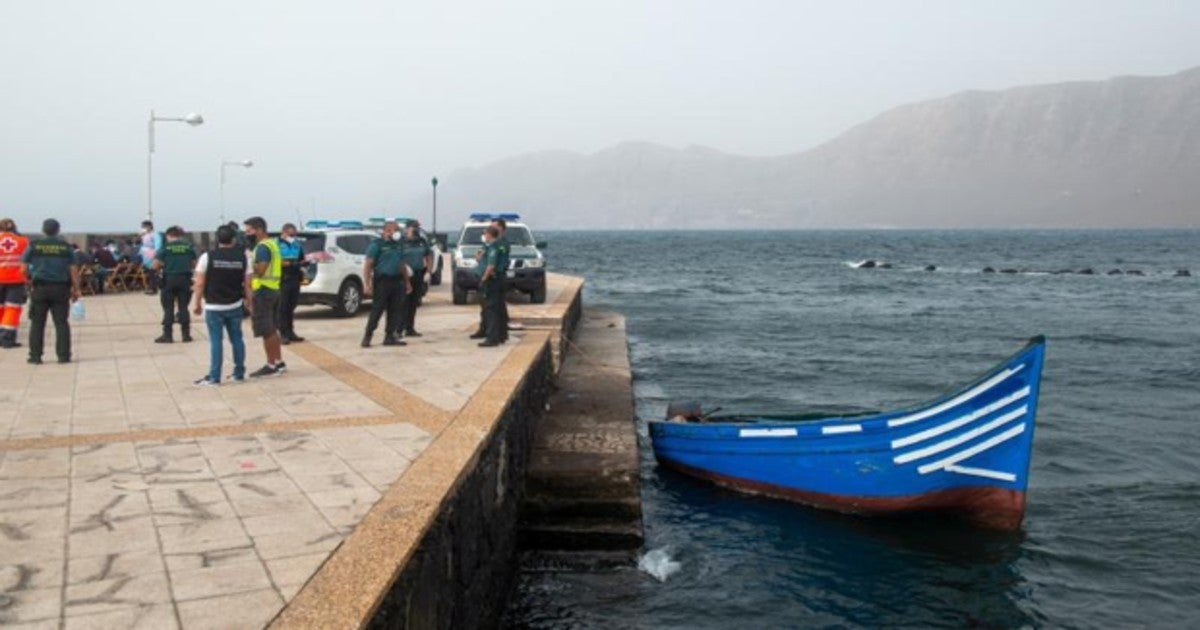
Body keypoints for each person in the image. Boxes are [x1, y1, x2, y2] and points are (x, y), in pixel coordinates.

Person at [190, 225, 254, 386]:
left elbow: (199, 283)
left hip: (213, 306)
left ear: (217, 239)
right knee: (237, 339)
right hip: (234, 305)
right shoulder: (244, 257)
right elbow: (248, 284)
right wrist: (250, 302)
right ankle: (239, 373)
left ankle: (214, 377)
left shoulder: (207, 257)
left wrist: (197, 303)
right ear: (233, 239)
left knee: (216, 341)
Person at [22, 219, 81, 364]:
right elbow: (73, 269)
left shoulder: (34, 245)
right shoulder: (65, 247)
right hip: (61, 288)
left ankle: (35, 356)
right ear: (58, 230)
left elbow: (23, 268)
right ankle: (63, 356)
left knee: (37, 324)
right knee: (61, 323)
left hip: (40, 288)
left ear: (42, 230)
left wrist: (28, 282)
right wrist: (76, 289)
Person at [243, 216, 286, 377]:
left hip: (263, 291)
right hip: (273, 289)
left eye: (249, 231)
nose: (247, 234)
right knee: (273, 328)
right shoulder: (272, 244)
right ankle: (278, 362)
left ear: (259, 230)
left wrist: (248, 263)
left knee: (266, 330)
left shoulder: (262, 247)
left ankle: (271, 365)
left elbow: (260, 270)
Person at [361, 220, 411, 348]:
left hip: (397, 281)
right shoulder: (377, 244)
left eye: (397, 230)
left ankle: (389, 337)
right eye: (392, 230)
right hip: (382, 281)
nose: (395, 232)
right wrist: (367, 284)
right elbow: (368, 265)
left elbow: (402, 264)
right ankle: (367, 336)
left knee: (394, 310)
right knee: (377, 310)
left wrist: (407, 282)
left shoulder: (399, 245)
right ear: (386, 231)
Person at [153, 226, 197, 343]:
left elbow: (155, 265)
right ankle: (186, 334)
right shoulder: (188, 247)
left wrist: (165, 265)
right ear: (180, 235)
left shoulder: (165, 247)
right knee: (183, 307)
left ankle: (167, 335)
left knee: (168, 308)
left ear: (168, 235)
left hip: (169, 280)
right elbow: (193, 263)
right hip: (185, 279)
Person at [397, 219, 433, 338]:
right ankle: (398, 329)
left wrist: (428, 271)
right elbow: (397, 258)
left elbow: (428, 256)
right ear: (407, 228)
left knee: (413, 303)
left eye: (417, 227)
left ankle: (410, 328)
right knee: (403, 303)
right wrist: (404, 267)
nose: (416, 229)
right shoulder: (401, 242)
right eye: (414, 227)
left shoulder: (421, 241)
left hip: (418, 274)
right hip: (405, 276)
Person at [0, 219, 30, 349]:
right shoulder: (23, 241)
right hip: (16, 280)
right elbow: (28, 262)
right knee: (12, 309)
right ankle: (7, 339)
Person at [276, 222, 306, 344]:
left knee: (291, 306)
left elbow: (301, 258)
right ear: (284, 232)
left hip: (295, 278)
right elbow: (276, 261)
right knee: (282, 307)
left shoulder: (296, 244)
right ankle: (282, 333)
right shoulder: (276, 244)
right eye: (290, 234)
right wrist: (289, 263)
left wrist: (304, 263)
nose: (293, 237)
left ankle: (290, 332)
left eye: (294, 235)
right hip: (283, 279)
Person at [476, 226, 504, 347]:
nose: (484, 236)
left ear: (489, 235)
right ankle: (495, 336)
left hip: (491, 281)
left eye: (485, 234)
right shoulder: (489, 246)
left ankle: (492, 338)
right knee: (491, 309)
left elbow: (491, 266)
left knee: (491, 309)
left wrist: (483, 279)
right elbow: (479, 259)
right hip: (492, 279)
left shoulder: (493, 247)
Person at [490, 217, 511, 342]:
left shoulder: (501, 243)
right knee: (498, 306)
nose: (491, 228)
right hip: (496, 276)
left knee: (497, 307)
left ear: (501, 228)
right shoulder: (495, 242)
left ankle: (499, 334)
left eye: (494, 226)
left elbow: (496, 261)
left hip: (498, 276)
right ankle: (500, 334)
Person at [139, 220, 163, 294]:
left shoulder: (155, 235)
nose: (142, 228)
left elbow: (158, 246)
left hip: (152, 256)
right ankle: (152, 287)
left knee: (153, 272)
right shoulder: (145, 235)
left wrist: (154, 255)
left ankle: (153, 288)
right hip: (146, 257)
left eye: (144, 227)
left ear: (149, 226)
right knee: (150, 273)